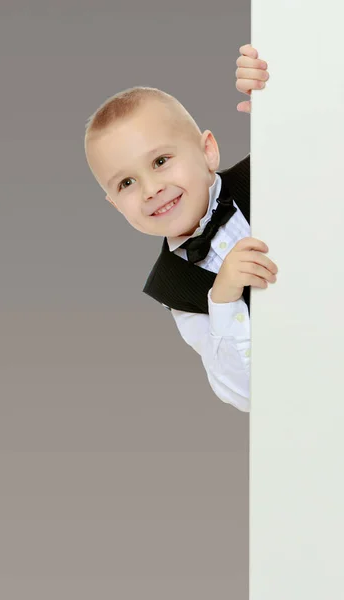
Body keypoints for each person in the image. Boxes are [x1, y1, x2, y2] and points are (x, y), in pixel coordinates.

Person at [84, 44, 277, 413]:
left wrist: (281, 102)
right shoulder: (174, 288)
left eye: (160, 160)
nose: (151, 189)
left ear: (207, 152)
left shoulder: (266, 171)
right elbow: (245, 394)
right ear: (113, 204)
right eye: (125, 183)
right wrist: (222, 299)